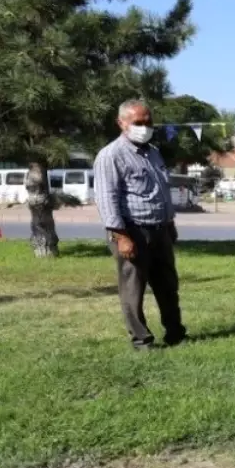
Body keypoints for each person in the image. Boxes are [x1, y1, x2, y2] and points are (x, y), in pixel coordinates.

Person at [93, 99, 186, 351]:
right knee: (133, 289)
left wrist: (169, 223)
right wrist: (121, 236)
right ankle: (141, 340)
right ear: (121, 123)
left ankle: (175, 333)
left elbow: (161, 192)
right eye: (138, 123)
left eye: (148, 122)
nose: (144, 127)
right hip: (132, 231)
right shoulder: (110, 155)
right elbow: (106, 199)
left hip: (160, 229)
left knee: (168, 285)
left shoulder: (153, 152)